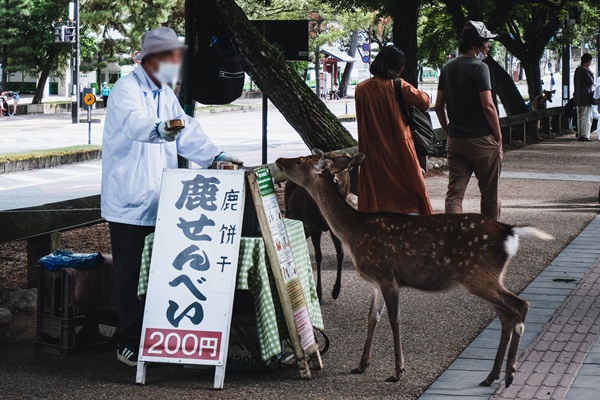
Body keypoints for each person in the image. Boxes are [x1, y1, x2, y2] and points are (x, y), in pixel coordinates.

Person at [101, 26, 242, 367]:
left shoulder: (164, 92)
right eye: (169, 57)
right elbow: (136, 123)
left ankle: (154, 335)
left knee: (159, 269)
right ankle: (128, 339)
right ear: (150, 58)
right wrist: (159, 129)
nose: (173, 64)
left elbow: (186, 129)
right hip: (129, 199)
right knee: (130, 271)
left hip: (161, 198)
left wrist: (215, 156)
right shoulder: (126, 89)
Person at [435, 21, 503, 220]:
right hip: (482, 140)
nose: (488, 46)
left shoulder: (447, 69)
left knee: (454, 196)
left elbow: (439, 105)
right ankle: (489, 240)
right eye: (486, 42)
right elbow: (488, 106)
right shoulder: (480, 68)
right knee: (489, 196)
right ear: (476, 45)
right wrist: (498, 136)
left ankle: (454, 239)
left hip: (457, 141)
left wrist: (449, 132)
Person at [355, 45, 433, 215]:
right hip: (399, 149)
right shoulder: (398, 86)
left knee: (377, 193)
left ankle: (377, 225)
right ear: (397, 67)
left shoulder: (361, 89)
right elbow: (425, 103)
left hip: (372, 152)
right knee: (410, 189)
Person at [573, 53, 595, 142]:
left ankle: (579, 134)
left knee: (579, 117)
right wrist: (591, 73)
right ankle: (585, 135)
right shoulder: (585, 71)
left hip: (577, 97)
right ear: (588, 61)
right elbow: (591, 82)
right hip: (585, 97)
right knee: (586, 117)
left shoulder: (577, 70)